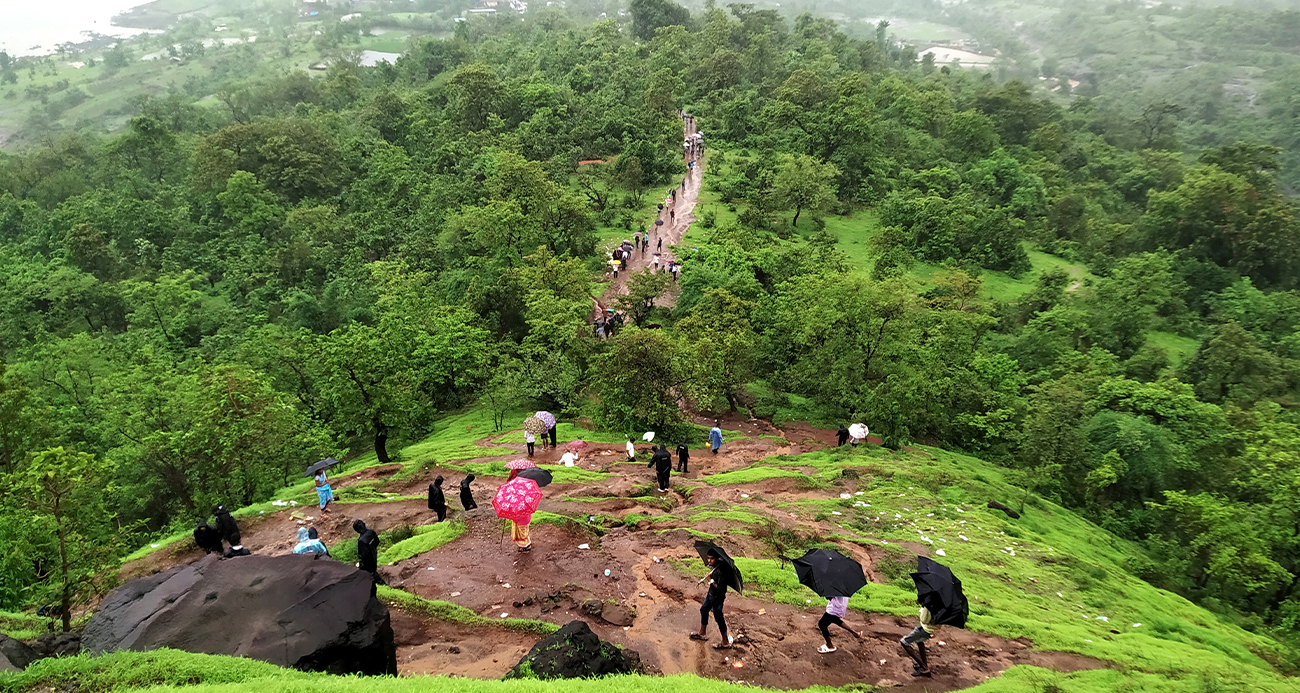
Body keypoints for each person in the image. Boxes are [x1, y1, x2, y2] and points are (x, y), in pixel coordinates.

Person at [689, 549, 734, 649]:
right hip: (711, 595)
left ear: (717, 559)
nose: (709, 561)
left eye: (712, 559)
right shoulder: (715, 568)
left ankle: (725, 642)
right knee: (704, 610)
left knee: (719, 618)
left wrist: (710, 580)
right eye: (708, 558)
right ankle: (702, 633)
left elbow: (721, 589)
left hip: (717, 598)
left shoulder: (721, 571)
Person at [900, 599, 938, 677]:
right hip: (931, 629)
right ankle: (924, 664)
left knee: (904, 642)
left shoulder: (929, 606)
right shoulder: (940, 604)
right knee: (919, 642)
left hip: (925, 629)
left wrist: (923, 606)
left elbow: (924, 620)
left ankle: (924, 668)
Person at [353, 520, 385, 585]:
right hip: (374, 555)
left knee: (371, 577)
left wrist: (360, 565)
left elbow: (364, 556)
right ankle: (383, 585)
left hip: (368, 565)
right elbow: (377, 541)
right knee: (374, 572)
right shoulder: (371, 532)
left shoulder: (361, 541)